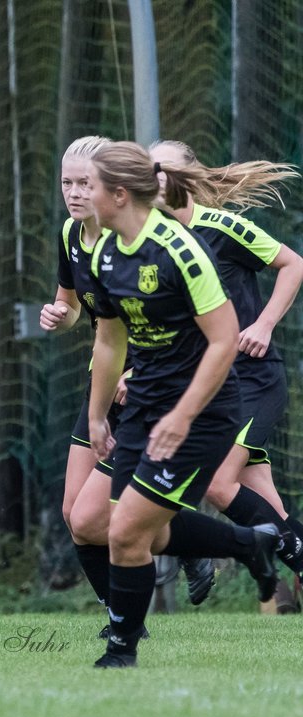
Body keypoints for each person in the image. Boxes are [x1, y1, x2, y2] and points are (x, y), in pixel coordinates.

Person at [82, 141, 279, 668]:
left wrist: (184, 415)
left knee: (126, 532)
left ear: (119, 194)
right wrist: (99, 415)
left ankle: (121, 652)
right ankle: (247, 544)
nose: (82, 193)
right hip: (146, 406)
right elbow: (108, 341)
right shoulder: (104, 254)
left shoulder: (179, 250)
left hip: (202, 412)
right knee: (131, 529)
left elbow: (224, 339)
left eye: (91, 185)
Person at [40, 136, 191, 628]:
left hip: (147, 382)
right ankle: (126, 613)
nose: (75, 192)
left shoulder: (131, 237)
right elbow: (79, 313)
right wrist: (58, 315)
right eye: (68, 182)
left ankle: (129, 618)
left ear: (111, 186)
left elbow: (157, 320)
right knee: (74, 514)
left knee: (96, 517)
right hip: (103, 384)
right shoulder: (70, 234)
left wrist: (135, 368)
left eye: (86, 182)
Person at [149, 140, 303, 614]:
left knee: (217, 482)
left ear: (186, 180)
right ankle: (286, 588)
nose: (153, 181)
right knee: (265, 500)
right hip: (215, 387)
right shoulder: (153, 242)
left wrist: (264, 324)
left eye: (163, 172)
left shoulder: (221, 227)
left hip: (255, 381)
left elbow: (293, 263)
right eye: (148, 171)